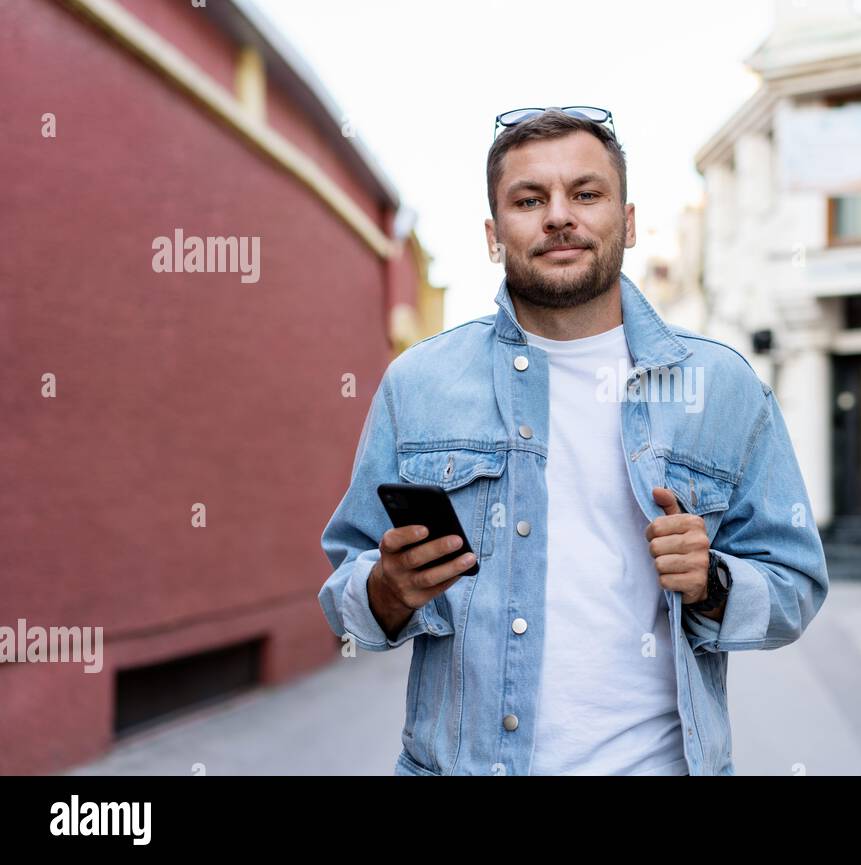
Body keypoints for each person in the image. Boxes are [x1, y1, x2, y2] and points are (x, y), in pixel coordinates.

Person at [318, 107, 829, 776]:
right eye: (530, 199)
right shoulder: (419, 384)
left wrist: (713, 582)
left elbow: (795, 585)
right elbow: (345, 599)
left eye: (586, 193)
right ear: (494, 233)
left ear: (632, 220)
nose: (560, 215)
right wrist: (387, 589)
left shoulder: (720, 385)